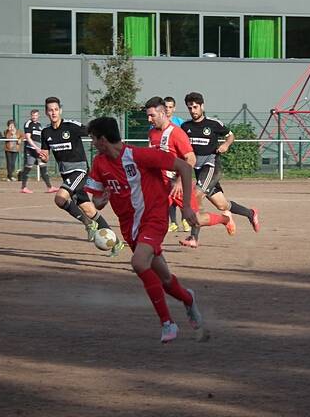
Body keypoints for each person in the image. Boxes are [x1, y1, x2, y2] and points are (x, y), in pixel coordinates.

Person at [85, 116, 202, 343]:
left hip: (154, 218)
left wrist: (186, 206)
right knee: (165, 279)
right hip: (130, 227)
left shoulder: (139, 155)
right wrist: (102, 199)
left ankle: (168, 324)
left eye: (93, 139)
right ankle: (188, 299)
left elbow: (184, 167)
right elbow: (96, 200)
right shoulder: (100, 163)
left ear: (102, 139)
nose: (92, 143)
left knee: (139, 263)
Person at [38, 96, 125, 256]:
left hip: (80, 170)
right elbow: (46, 155)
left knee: (60, 199)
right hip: (66, 175)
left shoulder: (71, 126)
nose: (53, 113)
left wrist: (108, 143)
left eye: (56, 109)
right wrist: (43, 157)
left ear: (60, 110)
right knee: (89, 209)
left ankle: (88, 224)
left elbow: (92, 132)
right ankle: (117, 243)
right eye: (50, 110)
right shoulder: (46, 132)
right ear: (46, 112)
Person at [146, 97, 236, 245]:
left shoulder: (177, 133)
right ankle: (146, 245)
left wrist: (180, 181)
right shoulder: (152, 134)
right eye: (148, 116)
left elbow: (191, 159)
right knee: (150, 214)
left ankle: (224, 219)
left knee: (195, 219)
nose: (149, 119)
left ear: (162, 113)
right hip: (161, 185)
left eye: (152, 115)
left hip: (178, 186)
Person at [180, 92, 259, 249]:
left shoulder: (213, 124)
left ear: (202, 106)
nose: (193, 110)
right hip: (198, 169)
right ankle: (251, 213)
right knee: (223, 205)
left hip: (211, 166)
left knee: (196, 195)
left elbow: (230, 135)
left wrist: (226, 144)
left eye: (195, 107)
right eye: (190, 108)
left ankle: (193, 237)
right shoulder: (185, 127)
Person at [163, 96, 188, 232]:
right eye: (166, 107)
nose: (168, 109)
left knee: (181, 193)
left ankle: (185, 220)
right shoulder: (157, 124)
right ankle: (173, 222)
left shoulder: (180, 123)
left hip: (179, 163)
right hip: (166, 164)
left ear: (174, 108)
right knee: (169, 193)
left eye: (170, 107)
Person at [20, 109, 57, 193]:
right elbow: (28, 138)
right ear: (31, 115)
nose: (34, 117)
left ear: (38, 116)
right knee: (28, 167)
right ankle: (23, 187)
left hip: (39, 149)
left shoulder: (39, 125)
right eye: (33, 115)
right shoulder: (28, 124)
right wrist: (35, 147)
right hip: (31, 149)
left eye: (36, 115)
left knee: (43, 166)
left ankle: (49, 187)